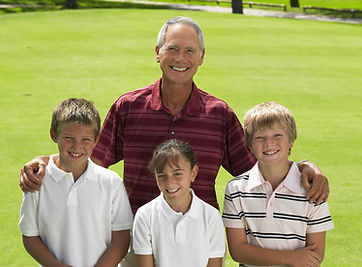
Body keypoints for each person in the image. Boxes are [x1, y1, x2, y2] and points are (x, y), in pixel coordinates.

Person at [19, 17, 329, 267]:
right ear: (157, 52)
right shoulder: (128, 107)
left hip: (200, 245)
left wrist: (303, 166)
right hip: (137, 246)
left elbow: (260, 166)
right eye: (172, 48)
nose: (180, 58)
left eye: (190, 50)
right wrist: (45, 162)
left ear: (202, 57)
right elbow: (86, 158)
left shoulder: (219, 114)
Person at [19, 98, 133, 267]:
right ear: (53, 135)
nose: (77, 147)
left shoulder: (111, 183)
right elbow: (30, 236)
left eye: (85, 139)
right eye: (69, 138)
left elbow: (122, 239)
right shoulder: (36, 181)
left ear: (97, 139)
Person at [222, 102, 334, 267]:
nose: (269, 143)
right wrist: (291, 258)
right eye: (260, 137)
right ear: (249, 146)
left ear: (291, 141)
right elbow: (238, 251)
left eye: (277, 135)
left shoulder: (313, 189)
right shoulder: (236, 190)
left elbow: (315, 254)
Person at [133, 139, 225, 267]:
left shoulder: (211, 217)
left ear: (193, 173)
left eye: (177, 174)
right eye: (162, 175)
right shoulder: (145, 215)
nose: (170, 183)